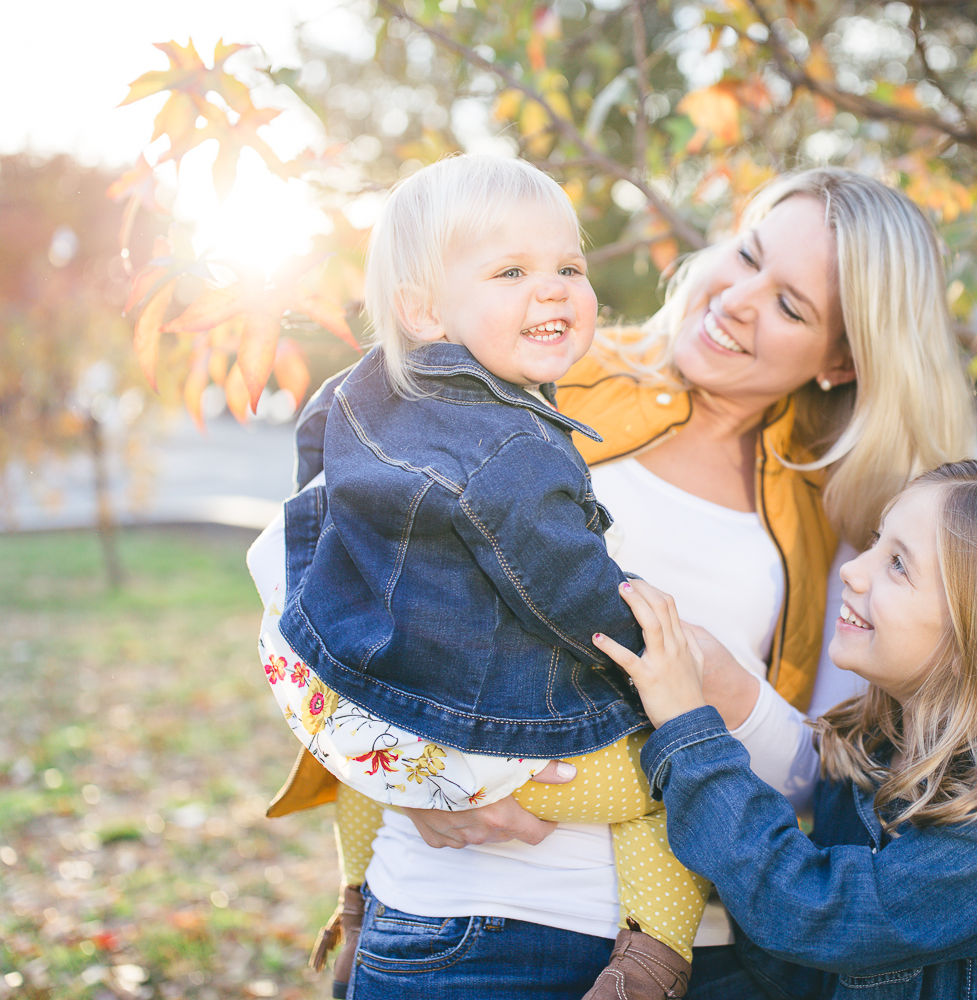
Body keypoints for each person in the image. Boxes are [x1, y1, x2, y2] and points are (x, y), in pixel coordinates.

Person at [255, 166, 977, 997]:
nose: (739, 299)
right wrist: (403, 772)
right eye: (746, 256)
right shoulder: (529, 371)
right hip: (461, 907)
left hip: (692, 944)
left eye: (790, 306)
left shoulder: (845, 520)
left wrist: (726, 695)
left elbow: (833, 776)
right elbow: (329, 580)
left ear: (841, 361)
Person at [254, 152, 718, 1000]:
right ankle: (652, 964)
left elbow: (314, 470)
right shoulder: (513, 442)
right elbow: (565, 586)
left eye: (568, 267)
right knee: (668, 776)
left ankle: (356, 905)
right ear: (424, 308)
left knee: (367, 738)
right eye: (511, 271)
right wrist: (646, 647)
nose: (553, 290)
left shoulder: (354, 389)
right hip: (480, 738)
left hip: (352, 696)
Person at [599, 460, 977, 1000]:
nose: (853, 569)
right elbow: (793, 976)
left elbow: (812, 913)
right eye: (875, 542)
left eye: (898, 565)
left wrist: (688, 730)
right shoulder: (877, 749)